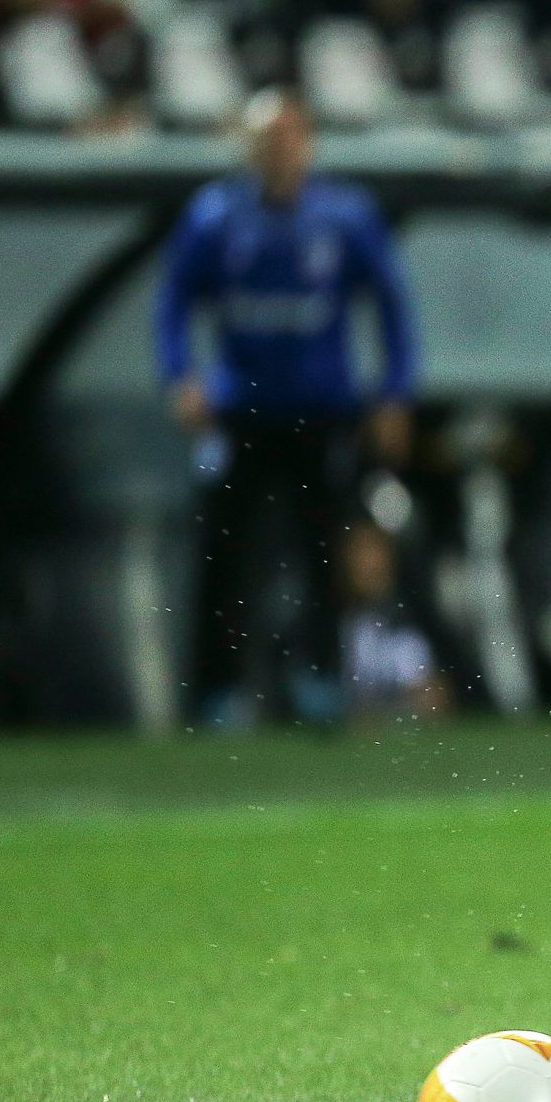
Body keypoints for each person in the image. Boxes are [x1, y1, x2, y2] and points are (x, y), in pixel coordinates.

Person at [155, 91, 419, 726]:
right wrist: (179, 377)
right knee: (224, 554)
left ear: (308, 143)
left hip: (320, 413)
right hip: (241, 414)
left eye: (288, 136)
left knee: (325, 550)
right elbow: (172, 300)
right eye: (266, 138)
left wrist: (394, 391)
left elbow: (392, 304)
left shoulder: (345, 217)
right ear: (247, 147)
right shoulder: (214, 216)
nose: (277, 149)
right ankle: (215, 692)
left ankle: (322, 679)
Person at [337, 519, 451, 724]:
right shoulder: (345, 621)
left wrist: (379, 718)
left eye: (371, 551)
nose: (364, 563)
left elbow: (432, 698)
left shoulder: (411, 616)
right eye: (356, 552)